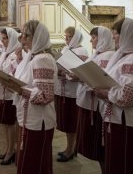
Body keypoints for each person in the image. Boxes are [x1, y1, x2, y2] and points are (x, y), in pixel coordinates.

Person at [0, 20, 58, 174]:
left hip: (39, 120)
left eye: (27, 35)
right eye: (22, 34)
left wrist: (18, 89)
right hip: (30, 117)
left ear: (38, 37)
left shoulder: (42, 59)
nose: (22, 38)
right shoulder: (32, 56)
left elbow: (45, 95)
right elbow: (24, 78)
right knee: (29, 161)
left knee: (35, 163)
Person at [94, 18, 133, 174]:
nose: (114, 37)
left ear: (127, 35)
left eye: (116, 34)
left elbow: (128, 96)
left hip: (127, 122)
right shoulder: (124, 56)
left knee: (125, 163)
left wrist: (105, 93)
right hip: (118, 119)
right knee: (116, 162)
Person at [76, 26, 114, 172]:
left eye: (94, 37)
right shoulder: (97, 54)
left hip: (100, 107)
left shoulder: (109, 55)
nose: (91, 40)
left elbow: (104, 80)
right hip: (90, 102)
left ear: (103, 38)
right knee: (96, 147)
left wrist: (86, 80)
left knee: (100, 146)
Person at [55, 27, 89, 162]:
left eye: (69, 37)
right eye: (66, 37)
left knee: (71, 123)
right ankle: (69, 147)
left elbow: (81, 72)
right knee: (65, 123)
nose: (66, 39)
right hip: (62, 91)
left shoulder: (82, 51)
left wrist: (66, 73)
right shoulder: (65, 49)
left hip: (72, 93)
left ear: (75, 38)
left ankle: (71, 149)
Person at [0, 28, 20, 165]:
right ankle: (8, 147)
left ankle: (11, 150)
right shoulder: (4, 53)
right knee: (4, 123)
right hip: (0, 91)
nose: (2, 41)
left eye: (5, 38)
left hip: (9, 95)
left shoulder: (17, 55)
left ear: (12, 38)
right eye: (2, 38)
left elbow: (16, 75)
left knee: (10, 123)